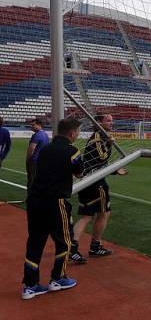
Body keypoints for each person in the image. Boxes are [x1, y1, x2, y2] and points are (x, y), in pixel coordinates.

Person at [21, 118, 83, 300]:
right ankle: (58, 278)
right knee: (65, 240)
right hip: (56, 201)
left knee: (35, 242)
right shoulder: (72, 151)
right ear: (71, 133)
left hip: (35, 200)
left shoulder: (46, 148)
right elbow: (79, 172)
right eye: (77, 132)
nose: (78, 134)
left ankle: (30, 286)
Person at [70, 114, 128, 263]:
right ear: (99, 122)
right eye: (108, 120)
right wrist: (109, 144)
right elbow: (101, 159)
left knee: (87, 216)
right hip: (95, 182)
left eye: (112, 120)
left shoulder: (99, 137)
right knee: (103, 213)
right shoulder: (97, 138)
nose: (111, 122)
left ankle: (75, 247)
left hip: (89, 179)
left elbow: (97, 162)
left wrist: (114, 169)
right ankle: (94, 247)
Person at [26, 119, 49, 189]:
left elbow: (31, 149)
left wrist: (27, 159)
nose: (31, 127)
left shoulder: (37, 135)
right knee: (39, 180)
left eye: (33, 125)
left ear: (39, 125)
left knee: (31, 180)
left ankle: (30, 198)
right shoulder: (45, 135)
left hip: (34, 161)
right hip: (42, 161)